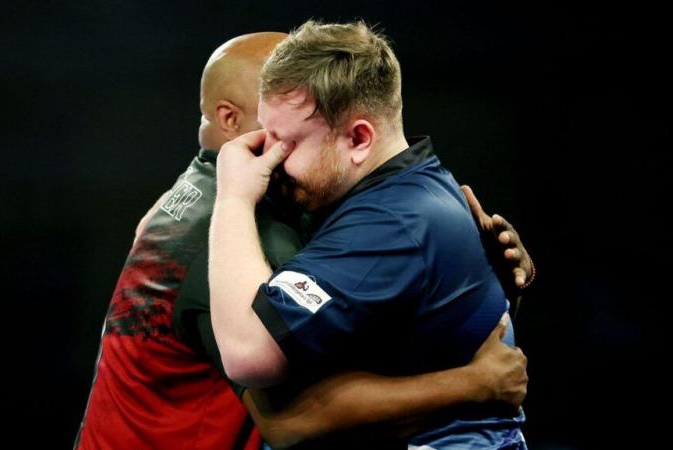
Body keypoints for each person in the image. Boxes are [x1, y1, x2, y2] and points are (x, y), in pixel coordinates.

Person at [75, 31, 533, 450]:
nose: (279, 146)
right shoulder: (237, 229)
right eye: (271, 120)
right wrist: (474, 384)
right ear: (231, 119)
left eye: (292, 129)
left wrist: (469, 275)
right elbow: (289, 420)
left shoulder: (189, 196)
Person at [209, 21, 530, 449]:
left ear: (359, 138)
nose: (269, 159)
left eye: (287, 143)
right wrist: (471, 382)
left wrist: (232, 196)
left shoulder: (392, 223)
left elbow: (248, 354)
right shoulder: (411, 187)